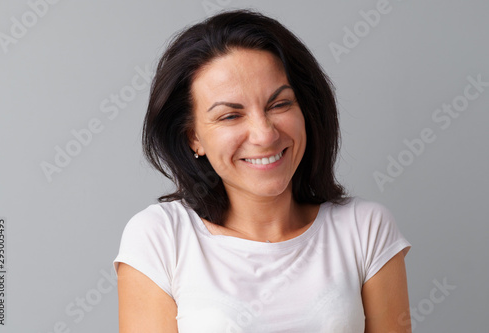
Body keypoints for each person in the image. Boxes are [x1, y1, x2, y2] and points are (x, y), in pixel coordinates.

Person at [113, 9, 412, 333]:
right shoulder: (160, 237)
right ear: (194, 137)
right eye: (230, 116)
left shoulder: (365, 229)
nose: (265, 134)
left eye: (279, 104)